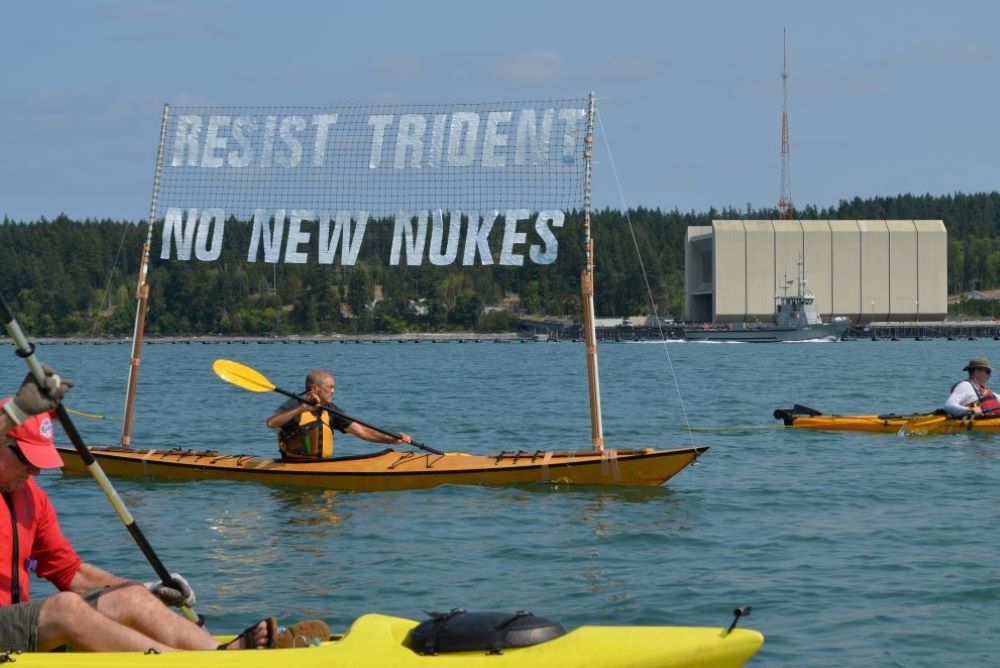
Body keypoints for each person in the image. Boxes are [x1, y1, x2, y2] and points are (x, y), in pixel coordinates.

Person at [0, 366, 281, 652]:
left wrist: (148, 590)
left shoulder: (32, 498)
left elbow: (72, 574)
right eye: (26, 459)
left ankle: (217, 654)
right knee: (66, 608)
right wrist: (16, 413)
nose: (35, 471)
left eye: (39, 461)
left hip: (19, 629)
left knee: (130, 595)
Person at [266, 369, 412, 459]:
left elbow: (362, 431)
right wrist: (301, 409)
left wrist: (391, 438)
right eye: (330, 387)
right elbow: (271, 423)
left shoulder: (330, 409)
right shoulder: (295, 404)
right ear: (314, 388)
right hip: (293, 465)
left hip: (323, 465)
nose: (333, 391)